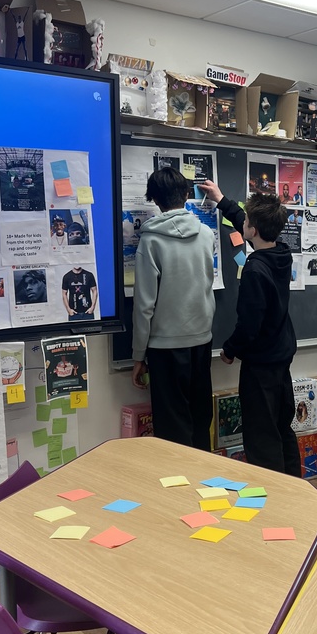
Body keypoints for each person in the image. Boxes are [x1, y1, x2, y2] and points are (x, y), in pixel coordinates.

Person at [200, 179, 300, 476]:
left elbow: (249, 325)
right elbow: (247, 221)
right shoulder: (281, 252)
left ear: (252, 231)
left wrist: (230, 350)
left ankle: (273, 500)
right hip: (280, 359)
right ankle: (298, 492)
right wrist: (221, 199)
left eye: (248, 222)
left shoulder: (256, 269)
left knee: (261, 435)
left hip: (261, 365)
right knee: (282, 428)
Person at [132, 167, 215, 449]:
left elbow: (144, 305)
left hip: (164, 347)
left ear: (154, 199)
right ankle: (206, 485)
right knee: (200, 418)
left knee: (172, 428)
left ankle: (179, 489)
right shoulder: (205, 234)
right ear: (186, 195)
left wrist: (137, 355)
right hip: (202, 340)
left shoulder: (150, 240)